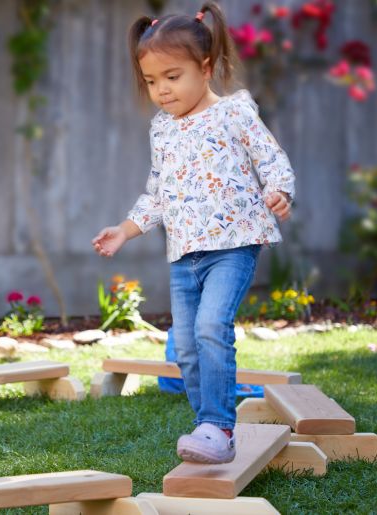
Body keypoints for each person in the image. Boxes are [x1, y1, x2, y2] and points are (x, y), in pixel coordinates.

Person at [92, 1, 295, 464]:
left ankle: (218, 428)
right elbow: (157, 194)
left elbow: (272, 160)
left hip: (234, 245)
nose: (161, 91)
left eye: (172, 76)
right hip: (184, 254)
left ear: (204, 68)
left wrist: (280, 190)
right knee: (184, 348)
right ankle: (208, 421)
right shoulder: (162, 131)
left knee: (210, 328)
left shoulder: (235, 113)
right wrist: (125, 229)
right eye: (150, 81)